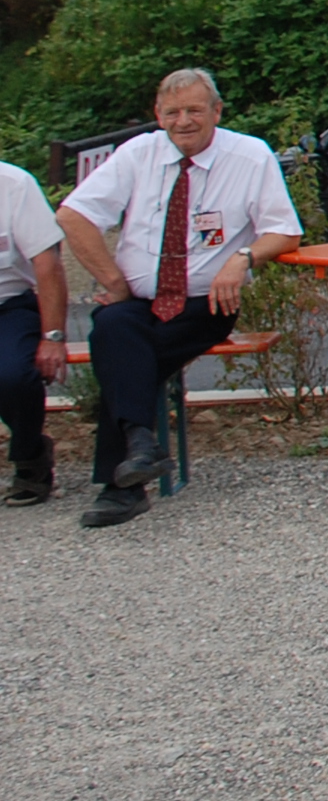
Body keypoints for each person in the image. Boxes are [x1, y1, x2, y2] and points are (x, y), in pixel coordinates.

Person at [58, 69, 304, 529]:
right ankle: (139, 450)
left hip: (206, 302)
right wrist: (111, 280)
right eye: (172, 112)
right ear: (158, 115)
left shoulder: (250, 156)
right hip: (139, 300)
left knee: (122, 353)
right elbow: (73, 215)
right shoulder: (138, 153)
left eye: (194, 110)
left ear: (217, 111)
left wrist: (242, 258)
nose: (183, 121)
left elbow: (285, 231)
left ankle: (124, 481)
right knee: (112, 325)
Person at [0, 160, 67, 506]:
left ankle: (31, 457)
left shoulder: (13, 184)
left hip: (8, 304)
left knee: (14, 376)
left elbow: (48, 264)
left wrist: (53, 337)